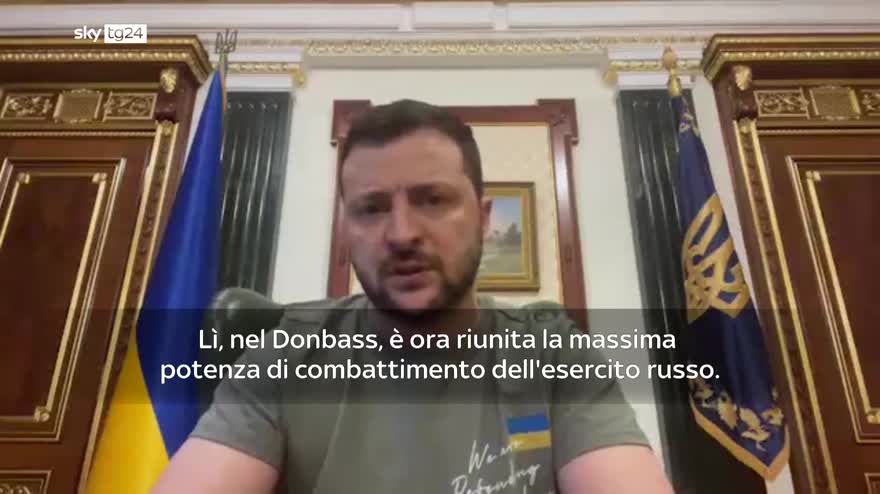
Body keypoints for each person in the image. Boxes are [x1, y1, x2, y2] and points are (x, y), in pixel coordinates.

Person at [151, 99, 675, 494]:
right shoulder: (286, 353)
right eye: (372, 208)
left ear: (484, 220)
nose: (402, 234)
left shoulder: (554, 354)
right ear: (346, 231)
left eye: (432, 199)